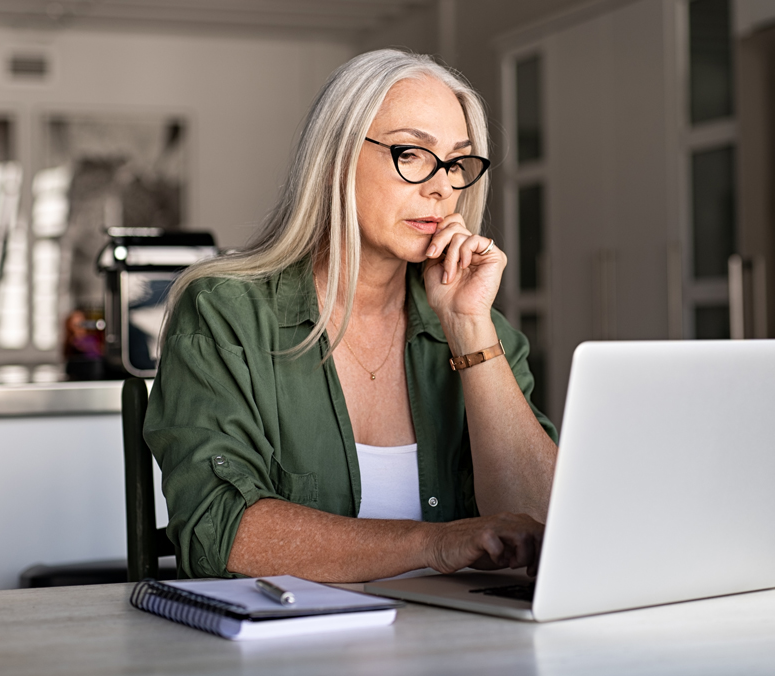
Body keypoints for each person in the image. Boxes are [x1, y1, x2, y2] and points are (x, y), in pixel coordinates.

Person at [145, 49, 559, 583]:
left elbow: (547, 528)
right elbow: (219, 533)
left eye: (457, 162)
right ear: (337, 156)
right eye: (412, 153)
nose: (443, 187)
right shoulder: (226, 313)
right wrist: (435, 543)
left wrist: (468, 329)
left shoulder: (481, 331)